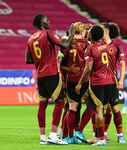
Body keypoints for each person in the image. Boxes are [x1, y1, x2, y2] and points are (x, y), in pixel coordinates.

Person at [25, 14, 75, 145]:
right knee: (60, 102)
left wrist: (40, 60)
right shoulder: (48, 33)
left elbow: (28, 59)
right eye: (46, 20)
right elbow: (64, 45)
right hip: (52, 73)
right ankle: (53, 135)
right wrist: (71, 34)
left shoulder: (30, 39)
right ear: (41, 23)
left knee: (42, 104)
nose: (49, 21)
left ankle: (43, 137)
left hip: (40, 75)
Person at [75, 25, 112, 146]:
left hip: (97, 82)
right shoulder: (107, 46)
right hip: (110, 82)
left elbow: (88, 69)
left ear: (90, 35)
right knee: (100, 110)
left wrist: (80, 83)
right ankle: (97, 137)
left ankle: (101, 140)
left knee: (98, 111)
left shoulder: (90, 49)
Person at [61, 22, 90, 144]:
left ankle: (69, 136)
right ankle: (80, 131)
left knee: (72, 109)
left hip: (70, 79)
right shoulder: (86, 44)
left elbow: (60, 64)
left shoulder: (65, 44)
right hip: (83, 79)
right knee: (92, 105)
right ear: (82, 32)